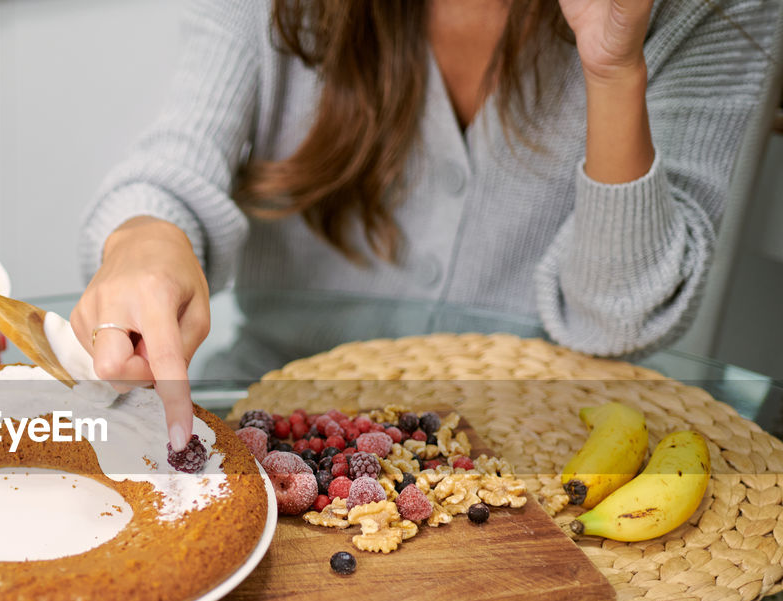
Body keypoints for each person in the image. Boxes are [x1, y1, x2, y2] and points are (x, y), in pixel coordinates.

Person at [71, 0, 780, 453]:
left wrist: (613, 66)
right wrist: (145, 239)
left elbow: (619, 316)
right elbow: (174, 165)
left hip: (536, 463)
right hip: (272, 417)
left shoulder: (713, 12)